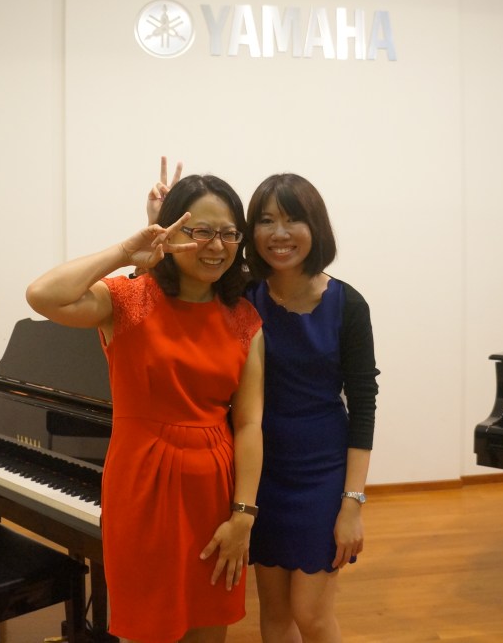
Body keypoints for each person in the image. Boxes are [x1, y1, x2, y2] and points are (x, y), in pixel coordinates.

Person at [148, 161, 379, 643]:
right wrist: (164, 227)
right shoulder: (242, 293)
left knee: (312, 614)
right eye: (266, 221)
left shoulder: (348, 305)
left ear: (315, 227)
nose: (279, 233)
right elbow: (173, 290)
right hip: (258, 474)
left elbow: (363, 405)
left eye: (293, 219)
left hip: (321, 473)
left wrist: (352, 503)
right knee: (273, 615)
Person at [27, 173, 265, 643]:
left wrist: (243, 515)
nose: (216, 245)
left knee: (208, 627)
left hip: (213, 493)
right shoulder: (128, 300)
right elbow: (42, 295)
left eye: (228, 233)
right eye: (201, 231)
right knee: (147, 628)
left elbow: (249, 422)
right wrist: (125, 252)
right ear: (173, 233)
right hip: (143, 488)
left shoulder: (244, 319)